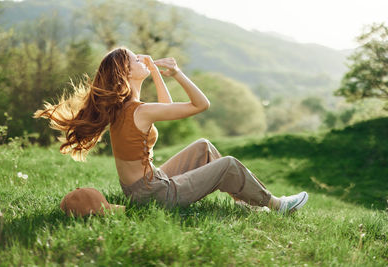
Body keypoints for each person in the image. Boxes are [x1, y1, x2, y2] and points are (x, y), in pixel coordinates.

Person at [34, 46, 308, 215]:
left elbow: (166, 107)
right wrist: (176, 72)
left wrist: (153, 70)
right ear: (126, 72)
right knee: (228, 165)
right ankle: (275, 205)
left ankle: (245, 202)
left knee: (203, 146)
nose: (143, 58)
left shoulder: (125, 107)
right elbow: (201, 104)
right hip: (156, 194)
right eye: (135, 59)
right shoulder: (137, 110)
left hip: (141, 189)